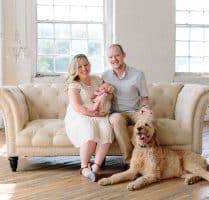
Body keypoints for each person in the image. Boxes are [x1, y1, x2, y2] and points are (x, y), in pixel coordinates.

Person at [64, 54, 114, 182]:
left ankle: (96, 167)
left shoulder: (97, 79)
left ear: (89, 65)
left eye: (86, 65)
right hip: (80, 114)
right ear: (75, 69)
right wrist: (94, 113)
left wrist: (106, 94)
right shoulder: (74, 85)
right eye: (80, 66)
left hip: (98, 112)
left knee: (106, 129)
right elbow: (78, 107)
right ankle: (84, 167)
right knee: (89, 129)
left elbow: (109, 90)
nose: (84, 68)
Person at [102, 44, 153, 166]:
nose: (114, 59)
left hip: (135, 111)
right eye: (110, 57)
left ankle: (147, 158)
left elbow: (144, 98)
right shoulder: (105, 76)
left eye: (117, 55)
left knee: (148, 118)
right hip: (116, 113)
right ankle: (129, 161)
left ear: (124, 55)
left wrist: (144, 108)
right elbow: (102, 96)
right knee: (116, 120)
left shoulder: (138, 74)